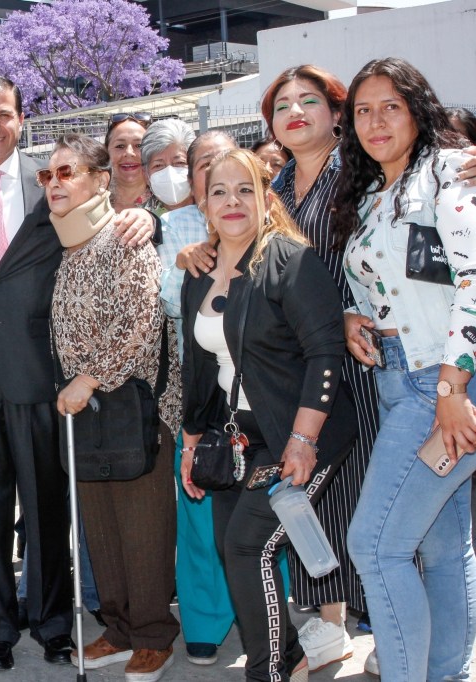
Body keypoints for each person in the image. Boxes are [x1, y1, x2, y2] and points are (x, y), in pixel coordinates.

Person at [0, 73, 156, 672]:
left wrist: (150, 220)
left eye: (4, 114)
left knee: (47, 511)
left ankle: (55, 625)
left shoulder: (50, 178)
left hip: (41, 375)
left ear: (20, 117)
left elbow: (103, 222)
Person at [180, 148, 356, 682]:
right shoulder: (199, 270)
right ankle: (290, 655)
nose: (232, 201)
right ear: (204, 205)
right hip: (236, 437)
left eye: (245, 190)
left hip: (299, 432)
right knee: (231, 548)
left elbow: (326, 352)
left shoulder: (289, 261)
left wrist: (302, 441)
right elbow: (198, 366)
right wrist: (192, 440)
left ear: (265, 198)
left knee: (247, 545)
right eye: (219, 191)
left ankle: (269, 671)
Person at [337, 57, 476, 682]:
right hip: (398, 382)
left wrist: (453, 386)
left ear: (417, 111)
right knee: (441, 547)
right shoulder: (371, 194)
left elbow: (472, 281)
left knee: (374, 546)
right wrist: (354, 313)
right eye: (363, 111)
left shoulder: (451, 172)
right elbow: (385, 282)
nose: (376, 122)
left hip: (438, 384)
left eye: (390, 106)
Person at [45, 133, 182, 681]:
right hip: (86, 411)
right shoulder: (70, 245)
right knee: (101, 530)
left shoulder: (124, 236)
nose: (54, 183)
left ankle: (153, 635)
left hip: (133, 406)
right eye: (48, 175)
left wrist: (89, 378)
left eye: (67, 172)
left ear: (101, 180)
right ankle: (120, 628)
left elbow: (143, 322)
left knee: (142, 528)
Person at [257, 63, 379, 671]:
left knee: (369, 497)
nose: (295, 112)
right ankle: (331, 624)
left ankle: (384, 622)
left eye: (309, 100)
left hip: (362, 361)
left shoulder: (364, 173)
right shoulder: (272, 189)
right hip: (299, 369)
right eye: (282, 105)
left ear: (336, 112)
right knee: (318, 497)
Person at [157, 129, 240, 666]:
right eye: (204, 164)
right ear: (191, 180)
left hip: (260, 391)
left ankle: (263, 613)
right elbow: (165, 301)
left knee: (260, 508)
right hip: (199, 388)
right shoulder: (174, 227)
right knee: (199, 504)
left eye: (225, 160)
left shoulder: (267, 221)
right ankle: (206, 618)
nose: (215, 171)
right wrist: (185, 264)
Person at [140, 118, 196, 214]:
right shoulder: (146, 220)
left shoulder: (213, 214)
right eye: (158, 165)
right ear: (146, 175)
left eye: (179, 162)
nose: (170, 173)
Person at [105, 111, 154, 211]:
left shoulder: (169, 204)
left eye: (139, 145)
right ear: (106, 151)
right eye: (120, 146)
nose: (129, 152)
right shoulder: (91, 203)